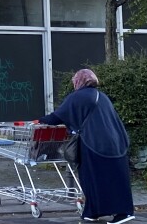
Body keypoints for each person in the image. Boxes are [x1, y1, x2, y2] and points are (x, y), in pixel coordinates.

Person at [37, 69, 135, 224]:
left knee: (91, 178)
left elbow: (57, 117)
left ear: (79, 81)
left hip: (94, 143)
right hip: (115, 142)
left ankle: (121, 213)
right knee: (114, 177)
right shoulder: (101, 96)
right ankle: (95, 211)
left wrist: (40, 121)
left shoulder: (78, 97)